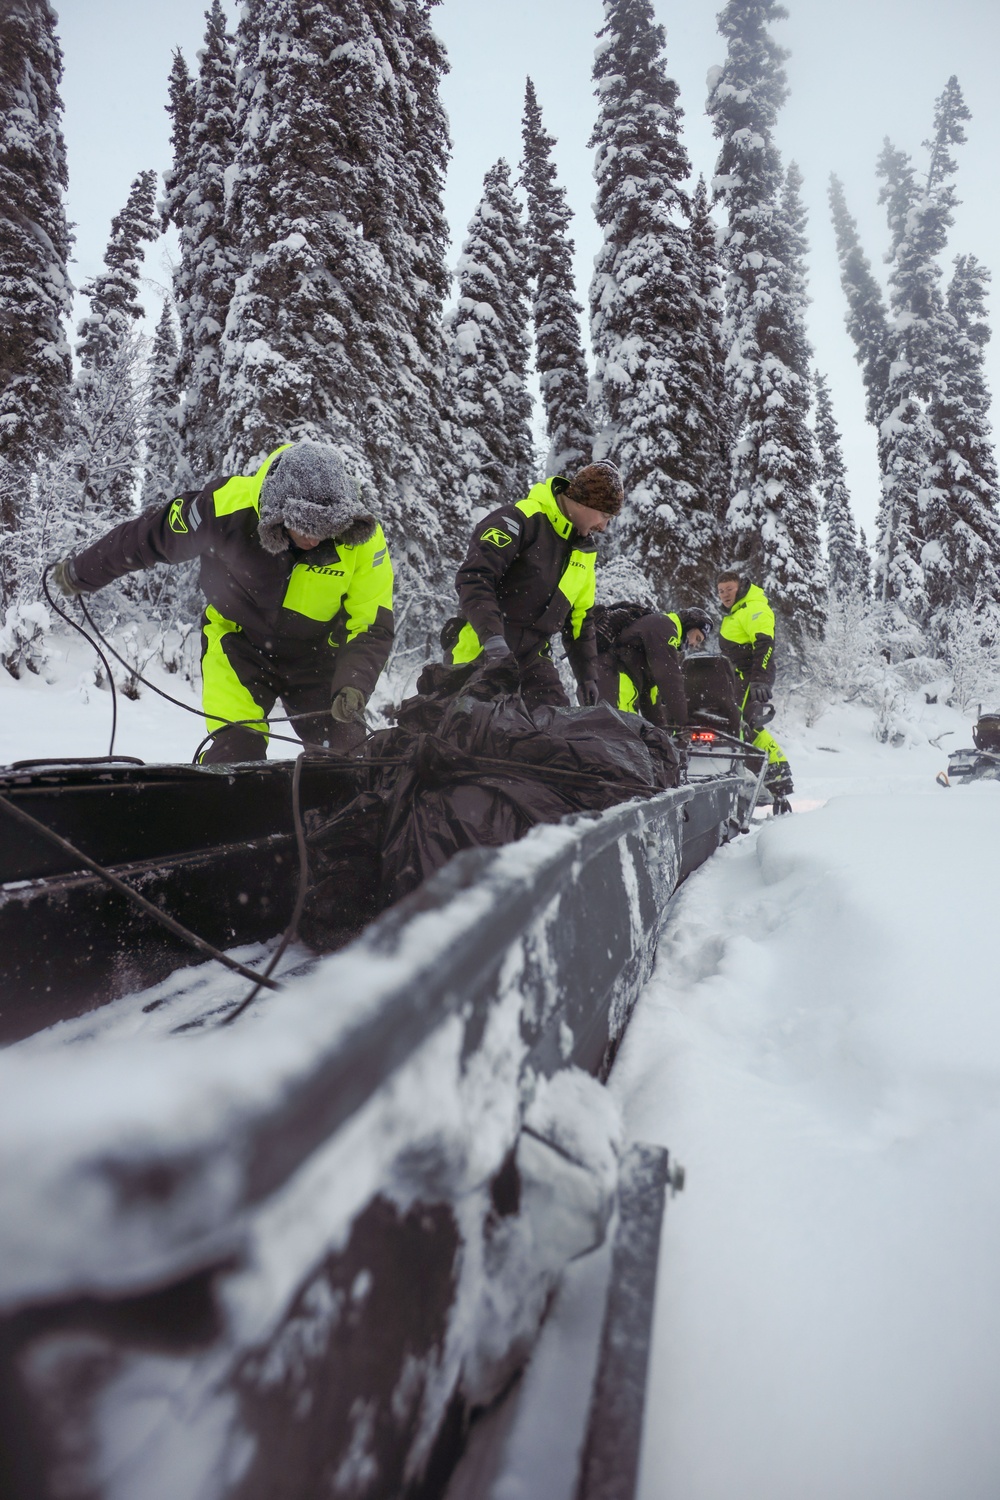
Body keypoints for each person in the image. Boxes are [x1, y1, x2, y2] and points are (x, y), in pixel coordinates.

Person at [52, 441, 393, 762]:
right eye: (303, 527)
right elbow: (148, 537)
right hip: (238, 645)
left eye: (325, 530)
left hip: (318, 657)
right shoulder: (224, 507)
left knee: (349, 760)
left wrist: (353, 684)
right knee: (236, 754)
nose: (313, 538)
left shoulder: (363, 539)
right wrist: (81, 573)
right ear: (277, 510)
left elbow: (371, 624)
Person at [445, 462, 623, 710]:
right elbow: (475, 577)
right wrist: (493, 640)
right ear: (584, 501)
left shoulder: (583, 551)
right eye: (604, 515)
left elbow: (581, 619)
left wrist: (587, 676)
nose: (604, 527)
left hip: (534, 658)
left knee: (553, 732)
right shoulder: (519, 520)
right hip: (480, 649)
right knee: (473, 735)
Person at [715, 567, 793, 808]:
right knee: (735, 727)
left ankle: (779, 780)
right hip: (736, 679)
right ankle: (745, 778)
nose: (725, 595)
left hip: (751, 677)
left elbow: (765, 644)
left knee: (747, 727)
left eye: (730, 589)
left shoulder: (754, 607)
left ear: (741, 587)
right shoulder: (734, 613)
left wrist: (759, 679)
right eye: (721, 591)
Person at [591, 603, 714, 729]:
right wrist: (684, 721)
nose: (694, 644)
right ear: (690, 625)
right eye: (697, 638)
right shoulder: (665, 627)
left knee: (623, 733)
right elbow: (669, 678)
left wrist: (661, 731)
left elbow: (650, 693)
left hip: (610, 675)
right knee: (616, 732)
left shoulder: (659, 633)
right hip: (612, 673)